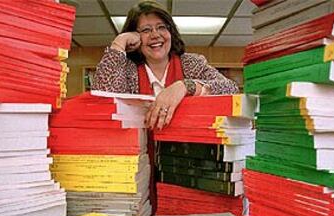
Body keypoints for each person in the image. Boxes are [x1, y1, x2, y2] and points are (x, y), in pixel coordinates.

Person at [92, 0, 239, 130]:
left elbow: (231, 89)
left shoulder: (191, 63)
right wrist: (120, 41)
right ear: (135, 37)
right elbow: (103, 98)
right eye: (146, 30)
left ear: (170, 31)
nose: (155, 35)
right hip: (136, 156)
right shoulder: (127, 69)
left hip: (186, 155)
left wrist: (186, 86)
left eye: (161, 27)